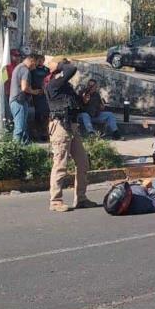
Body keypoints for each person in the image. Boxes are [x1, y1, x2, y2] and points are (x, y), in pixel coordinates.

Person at [46, 57, 99, 212]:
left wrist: (84, 98)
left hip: (72, 126)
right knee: (60, 164)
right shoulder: (54, 83)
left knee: (83, 163)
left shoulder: (66, 87)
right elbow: (71, 70)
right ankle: (55, 201)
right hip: (60, 127)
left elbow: (78, 105)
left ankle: (81, 198)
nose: (66, 65)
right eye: (63, 64)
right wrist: (62, 62)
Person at [8, 53, 41, 144]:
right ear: (32, 60)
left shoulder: (19, 67)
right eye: (36, 64)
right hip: (19, 101)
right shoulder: (24, 70)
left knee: (23, 127)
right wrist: (35, 92)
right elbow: (24, 88)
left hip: (17, 101)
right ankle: (15, 150)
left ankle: (24, 149)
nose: (35, 67)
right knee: (20, 128)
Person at [30, 54, 50, 142]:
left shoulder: (46, 69)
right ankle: (36, 134)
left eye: (42, 60)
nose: (40, 61)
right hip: (36, 93)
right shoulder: (33, 70)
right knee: (38, 114)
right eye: (39, 60)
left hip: (45, 93)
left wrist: (45, 89)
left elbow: (50, 80)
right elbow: (31, 80)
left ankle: (45, 133)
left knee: (46, 113)